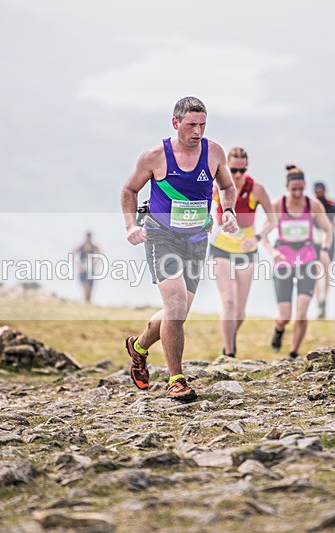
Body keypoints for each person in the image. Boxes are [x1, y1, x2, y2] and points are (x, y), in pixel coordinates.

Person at [120, 96, 238, 401]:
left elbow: (226, 186)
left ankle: (140, 346)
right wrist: (131, 226)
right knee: (173, 306)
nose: (197, 131)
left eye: (202, 124)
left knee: (178, 312)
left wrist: (228, 211)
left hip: (197, 240)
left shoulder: (214, 152)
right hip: (162, 236)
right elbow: (129, 190)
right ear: (176, 123)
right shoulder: (155, 156)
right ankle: (176, 380)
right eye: (191, 125)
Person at [260, 165, 332, 359]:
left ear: (305, 186)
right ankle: (278, 328)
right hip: (283, 259)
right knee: (285, 315)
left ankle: (293, 353)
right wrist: (272, 252)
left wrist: (324, 250)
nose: (298, 193)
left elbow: (328, 230)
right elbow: (263, 235)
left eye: (301, 189)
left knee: (301, 312)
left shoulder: (313, 206)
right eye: (294, 189)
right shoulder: (278, 206)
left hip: (307, 258)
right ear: (287, 187)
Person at [209, 147, 276, 358]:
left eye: (242, 170)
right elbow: (204, 210)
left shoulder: (256, 189)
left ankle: (231, 338)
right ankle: (229, 354)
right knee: (228, 301)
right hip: (221, 248)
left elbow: (272, 221)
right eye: (234, 170)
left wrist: (257, 237)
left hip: (247, 250)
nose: (238, 175)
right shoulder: (217, 187)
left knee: (239, 311)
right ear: (227, 167)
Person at [312, 181, 335, 319]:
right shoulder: (312, 205)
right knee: (316, 272)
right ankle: (319, 304)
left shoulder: (332, 204)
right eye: (317, 191)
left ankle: (323, 301)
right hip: (315, 239)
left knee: (326, 272)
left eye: (321, 191)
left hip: (329, 240)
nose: (319, 193)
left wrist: (334, 225)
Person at [73, 231, 102, 304]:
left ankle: (88, 305)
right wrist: (78, 266)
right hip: (82, 270)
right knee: (85, 288)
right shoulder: (81, 246)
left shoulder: (94, 247)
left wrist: (94, 264)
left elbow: (100, 255)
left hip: (90, 270)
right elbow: (72, 254)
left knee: (90, 290)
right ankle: (86, 303)